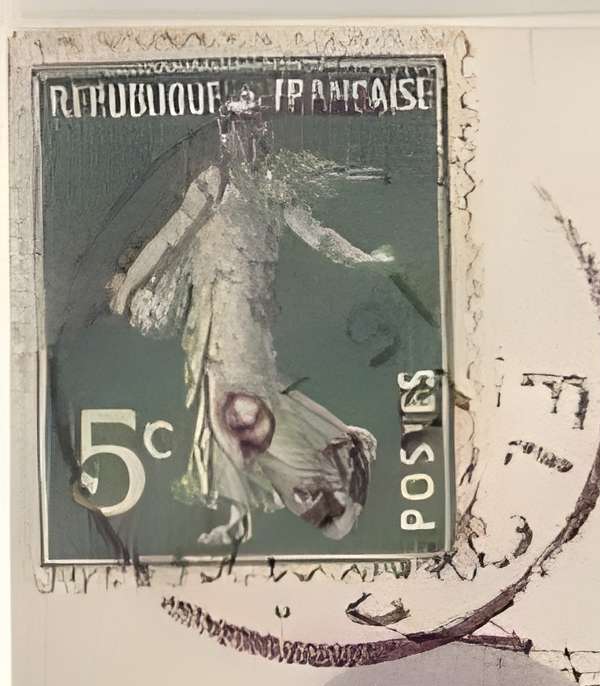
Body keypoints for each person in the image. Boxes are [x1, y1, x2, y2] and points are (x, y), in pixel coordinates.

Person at [103, 89, 395, 546]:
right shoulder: (212, 183)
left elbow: (316, 233)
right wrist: (129, 288)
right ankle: (265, 505)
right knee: (232, 412)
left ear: (261, 133)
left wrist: (361, 258)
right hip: (213, 315)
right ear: (225, 134)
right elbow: (169, 238)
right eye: (234, 129)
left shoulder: (271, 188)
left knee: (242, 410)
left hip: (243, 317)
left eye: (250, 129)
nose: (242, 139)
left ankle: (331, 469)